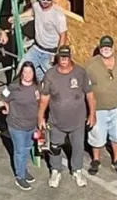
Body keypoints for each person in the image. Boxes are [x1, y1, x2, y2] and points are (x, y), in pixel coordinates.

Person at [37, 46, 94, 188]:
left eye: (66, 57)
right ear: (58, 58)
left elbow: (89, 94)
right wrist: (40, 116)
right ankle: (55, 170)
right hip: (56, 121)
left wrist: (92, 114)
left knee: (78, 147)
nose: (64, 60)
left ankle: (77, 170)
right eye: (61, 57)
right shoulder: (50, 75)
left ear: (70, 57)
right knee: (54, 147)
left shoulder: (80, 73)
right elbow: (44, 97)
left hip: (77, 121)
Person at [84, 35, 117, 176]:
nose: (106, 49)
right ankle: (96, 160)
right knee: (97, 135)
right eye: (103, 47)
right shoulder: (90, 65)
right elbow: (84, 86)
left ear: (113, 48)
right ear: (99, 48)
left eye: (108, 47)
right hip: (98, 108)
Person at [0, 63, 43, 190]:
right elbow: (3, 96)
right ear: (21, 73)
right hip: (17, 126)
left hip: (31, 125)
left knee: (27, 149)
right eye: (25, 72)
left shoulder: (37, 87)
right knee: (19, 152)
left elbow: (40, 101)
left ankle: (23, 169)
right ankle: (20, 177)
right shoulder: (14, 87)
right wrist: (7, 108)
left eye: (30, 72)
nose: (28, 75)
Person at [21, 0, 68, 80]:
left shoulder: (58, 15)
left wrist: (57, 56)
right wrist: (18, 17)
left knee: (53, 80)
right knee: (22, 69)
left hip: (50, 53)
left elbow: (63, 35)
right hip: (36, 48)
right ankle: (10, 94)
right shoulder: (36, 6)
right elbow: (32, 12)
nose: (45, 1)